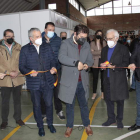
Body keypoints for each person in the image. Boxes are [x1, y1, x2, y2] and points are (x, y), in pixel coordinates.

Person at [19, 28, 56, 136]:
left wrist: (53, 67)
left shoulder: (47, 46)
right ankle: (40, 126)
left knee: (49, 104)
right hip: (34, 83)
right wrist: (29, 72)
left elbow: (53, 60)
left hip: (48, 81)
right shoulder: (25, 49)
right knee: (37, 105)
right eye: (37, 36)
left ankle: (50, 124)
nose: (40, 38)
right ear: (31, 38)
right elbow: (21, 66)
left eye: (40, 35)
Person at [58, 25, 93, 138]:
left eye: (85, 37)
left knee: (84, 105)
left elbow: (90, 60)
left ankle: (87, 125)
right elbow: (61, 57)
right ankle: (69, 127)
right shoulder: (66, 43)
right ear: (75, 34)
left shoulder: (86, 44)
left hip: (82, 81)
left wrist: (87, 64)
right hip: (70, 82)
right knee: (70, 106)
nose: (83, 39)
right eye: (81, 36)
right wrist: (75, 62)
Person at [100, 29, 130, 129]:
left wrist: (115, 67)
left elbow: (126, 63)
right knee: (109, 100)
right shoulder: (104, 49)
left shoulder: (123, 49)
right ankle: (111, 119)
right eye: (107, 38)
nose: (108, 40)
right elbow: (102, 61)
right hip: (107, 79)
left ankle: (119, 120)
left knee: (120, 101)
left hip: (119, 79)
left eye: (110, 38)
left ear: (116, 38)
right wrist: (102, 65)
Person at [0, 29, 25, 130]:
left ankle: (18, 118)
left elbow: (23, 61)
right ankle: (4, 121)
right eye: (9, 36)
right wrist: (9, 73)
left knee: (17, 101)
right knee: (5, 101)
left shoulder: (19, 47)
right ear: (4, 37)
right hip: (5, 79)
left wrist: (17, 72)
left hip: (17, 78)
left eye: (13, 36)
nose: (11, 38)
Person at [42, 22, 65, 120]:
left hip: (56, 70)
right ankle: (44, 112)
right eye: (49, 29)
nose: (51, 31)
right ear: (45, 30)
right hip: (44, 71)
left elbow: (61, 55)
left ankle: (59, 110)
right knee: (44, 92)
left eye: (53, 30)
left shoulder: (58, 40)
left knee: (57, 92)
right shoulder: (40, 40)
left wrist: (55, 67)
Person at [90, 30, 106, 100]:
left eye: (100, 34)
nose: (99, 35)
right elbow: (91, 53)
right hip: (95, 62)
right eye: (98, 33)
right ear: (95, 34)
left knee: (103, 78)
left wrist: (96, 52)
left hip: (102, 62)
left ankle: (103, 92)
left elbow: (104, 52)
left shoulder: (104, 42)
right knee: (95, 78)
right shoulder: (92, 43)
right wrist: (100, 52)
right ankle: (94, 93)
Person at [128, 40, 140, 131]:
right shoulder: (138, 44)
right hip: (139, 78)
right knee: (139, 103)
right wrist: (132, 63)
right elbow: (133, 57)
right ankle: (139, 123)